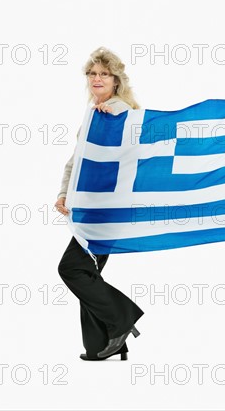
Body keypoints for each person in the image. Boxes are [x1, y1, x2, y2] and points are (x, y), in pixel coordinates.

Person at [56, 47, 144, 361]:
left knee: (72, 269)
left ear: (116, 80)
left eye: (104, 74)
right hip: (89, 206)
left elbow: (131, 137)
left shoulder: (117, 110)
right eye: (93, 73)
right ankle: (103, 343)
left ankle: (122, 318)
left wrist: (112, 120)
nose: (97, 78)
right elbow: (76, 160)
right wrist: (64, 192)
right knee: (88, 273)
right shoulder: (94, 112)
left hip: (107, 207)